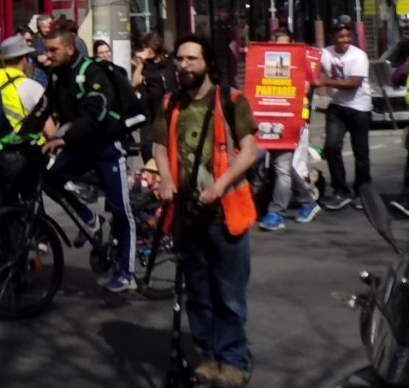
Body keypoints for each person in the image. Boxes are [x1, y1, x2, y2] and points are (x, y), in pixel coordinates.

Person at [153, 34, 258, 388]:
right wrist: (166, 178)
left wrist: (219, 185)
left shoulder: (231, 100)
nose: (182, 66)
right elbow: (158, 146)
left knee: (228, 296)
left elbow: (249, 151)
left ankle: (232, 361)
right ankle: (209, 357)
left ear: (207, 63)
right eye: (179, 59)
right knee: (198, 293)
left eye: (190, 60)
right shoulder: (170, 102)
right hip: (187, 216)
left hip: (225, 215)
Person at [38, 26, 137, 293]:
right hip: (81, 146)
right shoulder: (56, 76)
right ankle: (90, 219)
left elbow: (96, 113)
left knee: (120, 209)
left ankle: (127, 273)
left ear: (70, 49)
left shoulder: (92, 72)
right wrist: (18, 135)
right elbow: (43, 109)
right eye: (46, 50)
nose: (47, 56)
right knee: (48, 176)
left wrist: (65, 138)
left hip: (106, 146)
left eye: (53, 50)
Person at [257, 29, 321, 230]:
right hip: (266, 120)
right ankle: (308, 202)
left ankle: (276, 213)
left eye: (285, 45)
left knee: (282, 167)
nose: (281, 50)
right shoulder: (262, 61)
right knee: (273, 164)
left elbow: (305, 87)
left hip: (290, 120)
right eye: (277, 45)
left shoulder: (300, 61)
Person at [315, 22, 372, 210]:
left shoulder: (358, 55)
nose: (345, 40)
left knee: (360, 152)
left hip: (359, 107)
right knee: (331, 147)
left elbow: (353, 83)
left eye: (348, 36)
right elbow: (312, 66)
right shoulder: (326, 53)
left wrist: (324, 81)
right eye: (341, 36)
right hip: (337, 107)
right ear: (333, 38)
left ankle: (362, 190)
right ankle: (340, 190)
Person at [132, 33, 176, 163]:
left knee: (168, 143)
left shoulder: (168, 61)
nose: (145, 51)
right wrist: (140, 64)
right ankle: (150, 167)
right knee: (147, 145)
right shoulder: (146, 65)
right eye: (144, 47)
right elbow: (135, 83)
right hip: (150, 110)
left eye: (147, 47)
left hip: (167, 107)